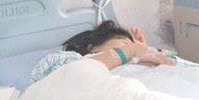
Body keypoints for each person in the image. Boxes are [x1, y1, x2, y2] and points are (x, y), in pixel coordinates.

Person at [30, 20, 175, 81]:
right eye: (124, 44)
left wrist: (150, 54)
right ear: (93, 47)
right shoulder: (66, 61)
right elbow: (68, 78)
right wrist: (132, 50)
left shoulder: (140, 62)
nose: (130, 49)